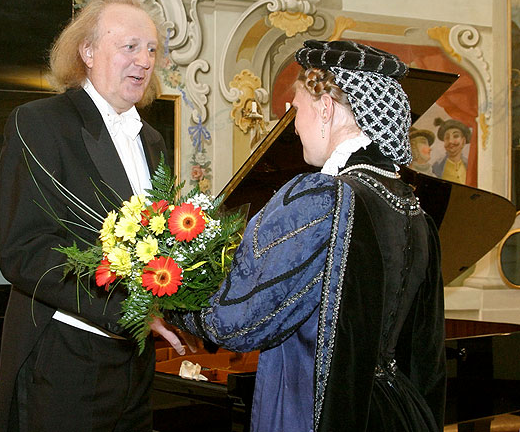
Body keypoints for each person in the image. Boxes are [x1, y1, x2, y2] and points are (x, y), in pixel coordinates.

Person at [168, 40, 446, 432]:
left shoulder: (322, 199)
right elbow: (425, 359)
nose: (294, 124)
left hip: (320, 412)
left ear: (326, 108)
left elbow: (238, 321)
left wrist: (170, 294)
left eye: (296, 109)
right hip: (397, 413)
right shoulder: (415, 213)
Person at [0, 0, 190, 432]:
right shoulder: (40, 123)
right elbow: (24, 250)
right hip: (62, 359)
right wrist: (127, 309)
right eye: (130, 47)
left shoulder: (152, 141)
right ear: (86, 50)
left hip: (134, 360)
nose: (144, 60)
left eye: (152, 49)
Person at [432, 117, 470, 184]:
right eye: (447, 137)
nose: (450, 141)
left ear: (463, 141)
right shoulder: (436, 167)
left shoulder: (469, 166)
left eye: (455, 136)